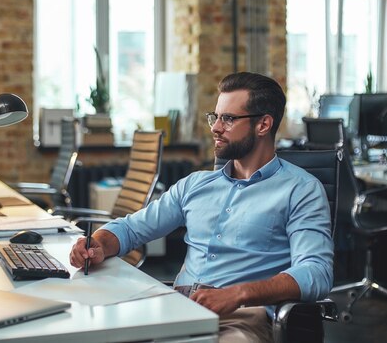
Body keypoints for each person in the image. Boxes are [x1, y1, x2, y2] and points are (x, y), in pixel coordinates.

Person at [69, 72, 333, 342]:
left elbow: (316, 272)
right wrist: (99, 243)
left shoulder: (301, 189)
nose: (215, 128)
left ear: (263, 125)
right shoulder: (195, 185)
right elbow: (131, 229)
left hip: (241, 317)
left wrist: (239, 293)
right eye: (215, 117)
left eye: (228, 119)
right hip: (178, 307)